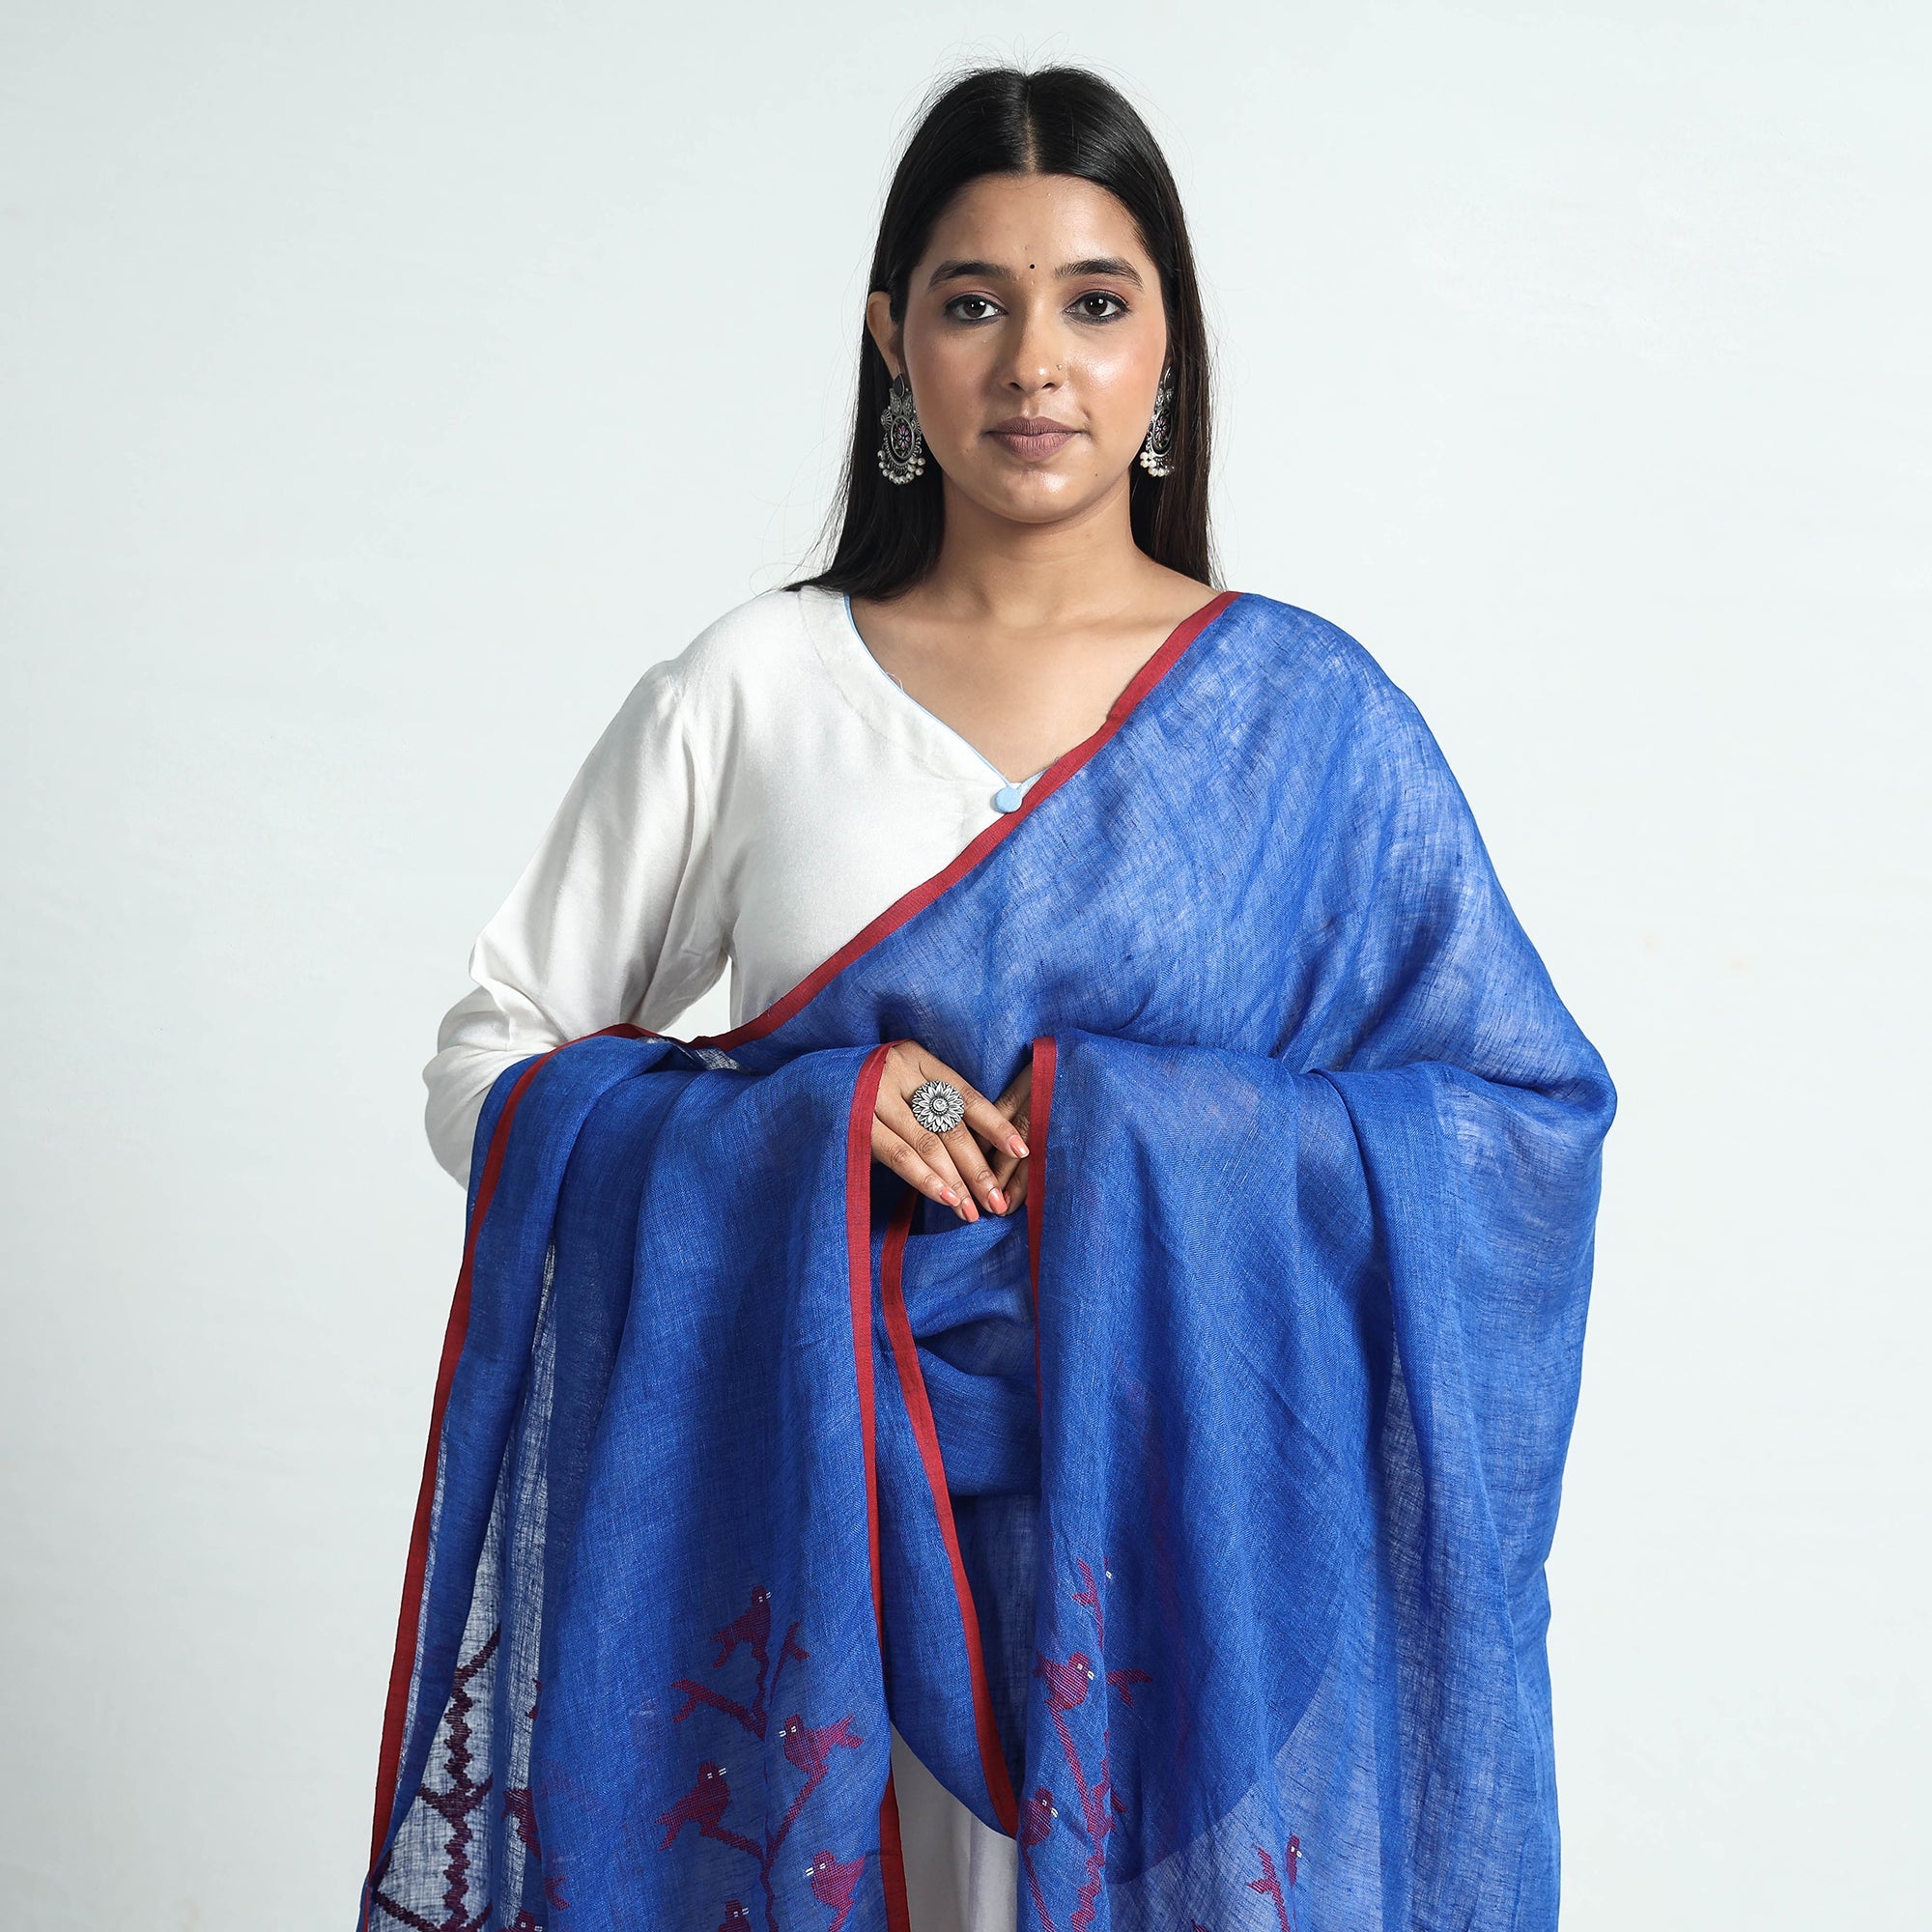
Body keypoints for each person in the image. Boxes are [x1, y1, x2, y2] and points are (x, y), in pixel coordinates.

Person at [363, 65, 1613, 1932]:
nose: (1036, 363)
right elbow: (491, 1062)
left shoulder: (1307, 720)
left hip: (1198, 1588)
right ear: (893, 342)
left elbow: (1520, 1129)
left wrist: (1149, 1134)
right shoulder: (760, 690)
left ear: (1168, 346)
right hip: (812, 1573)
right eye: (974, 303)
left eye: (1095, 302)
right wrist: (811, 1120)